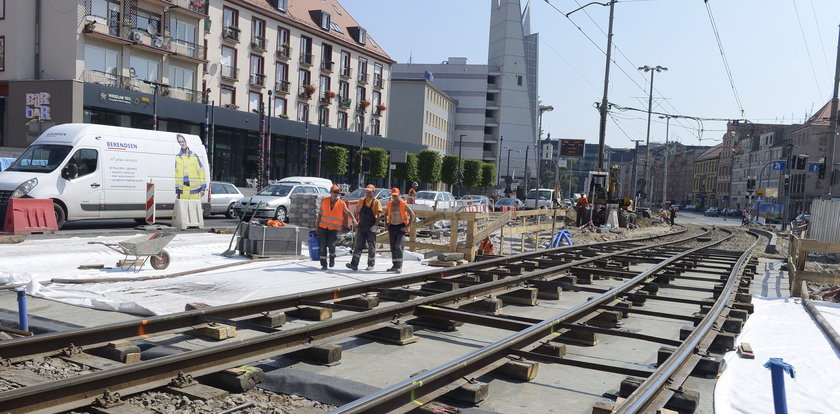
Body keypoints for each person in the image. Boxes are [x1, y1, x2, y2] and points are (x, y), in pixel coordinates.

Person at [316, 185, 357, 270]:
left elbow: (348, 212)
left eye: (337, 193)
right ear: (330, 192)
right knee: (322, 246)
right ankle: (324, 264)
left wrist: (353, 220)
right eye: (334, 192)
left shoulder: (341, 203)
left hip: (334, 229)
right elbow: (320, 214)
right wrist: (317, 226)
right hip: (323, 227)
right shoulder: (324, 201)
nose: (336, 194)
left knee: (331, 245)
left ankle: (332, 257)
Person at [347, 184, 382, 271]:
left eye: (369, 192)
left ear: (373, 192)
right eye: (367, 191)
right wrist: (355, 222)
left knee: (371, 246)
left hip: (371, 227)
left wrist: (375, 225)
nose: (367, 193)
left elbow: (379, 214)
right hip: (362, 226)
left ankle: (371, 265)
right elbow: (357, 211)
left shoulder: (376, 202)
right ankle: (354, 264)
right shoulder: (362, 201)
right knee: (358, 245)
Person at [386, 188, 416, 273]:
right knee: (392, 247)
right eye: (393, 195)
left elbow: (412, 214)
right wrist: (386, 224)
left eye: (396, 195)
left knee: (398, 247)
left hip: (401, 227)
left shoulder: (403, 204)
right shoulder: (389, 204)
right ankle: (394, 265)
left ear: (399, 195)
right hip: (392, 227)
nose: (394, 197)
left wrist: (408, 226)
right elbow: (385, 214)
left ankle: (399, 266)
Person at [175, 134, 206, 200]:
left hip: (194, 191)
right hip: (183, 191)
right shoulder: (178, 157)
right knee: (183, 210)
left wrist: (203, 188)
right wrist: (177, 192)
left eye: (182, 141)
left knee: (193, 210)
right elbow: (177, 176)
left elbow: (201, 172)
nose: (182, 143)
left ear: (185, 142)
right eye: (180, 142)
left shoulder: (194, 156)